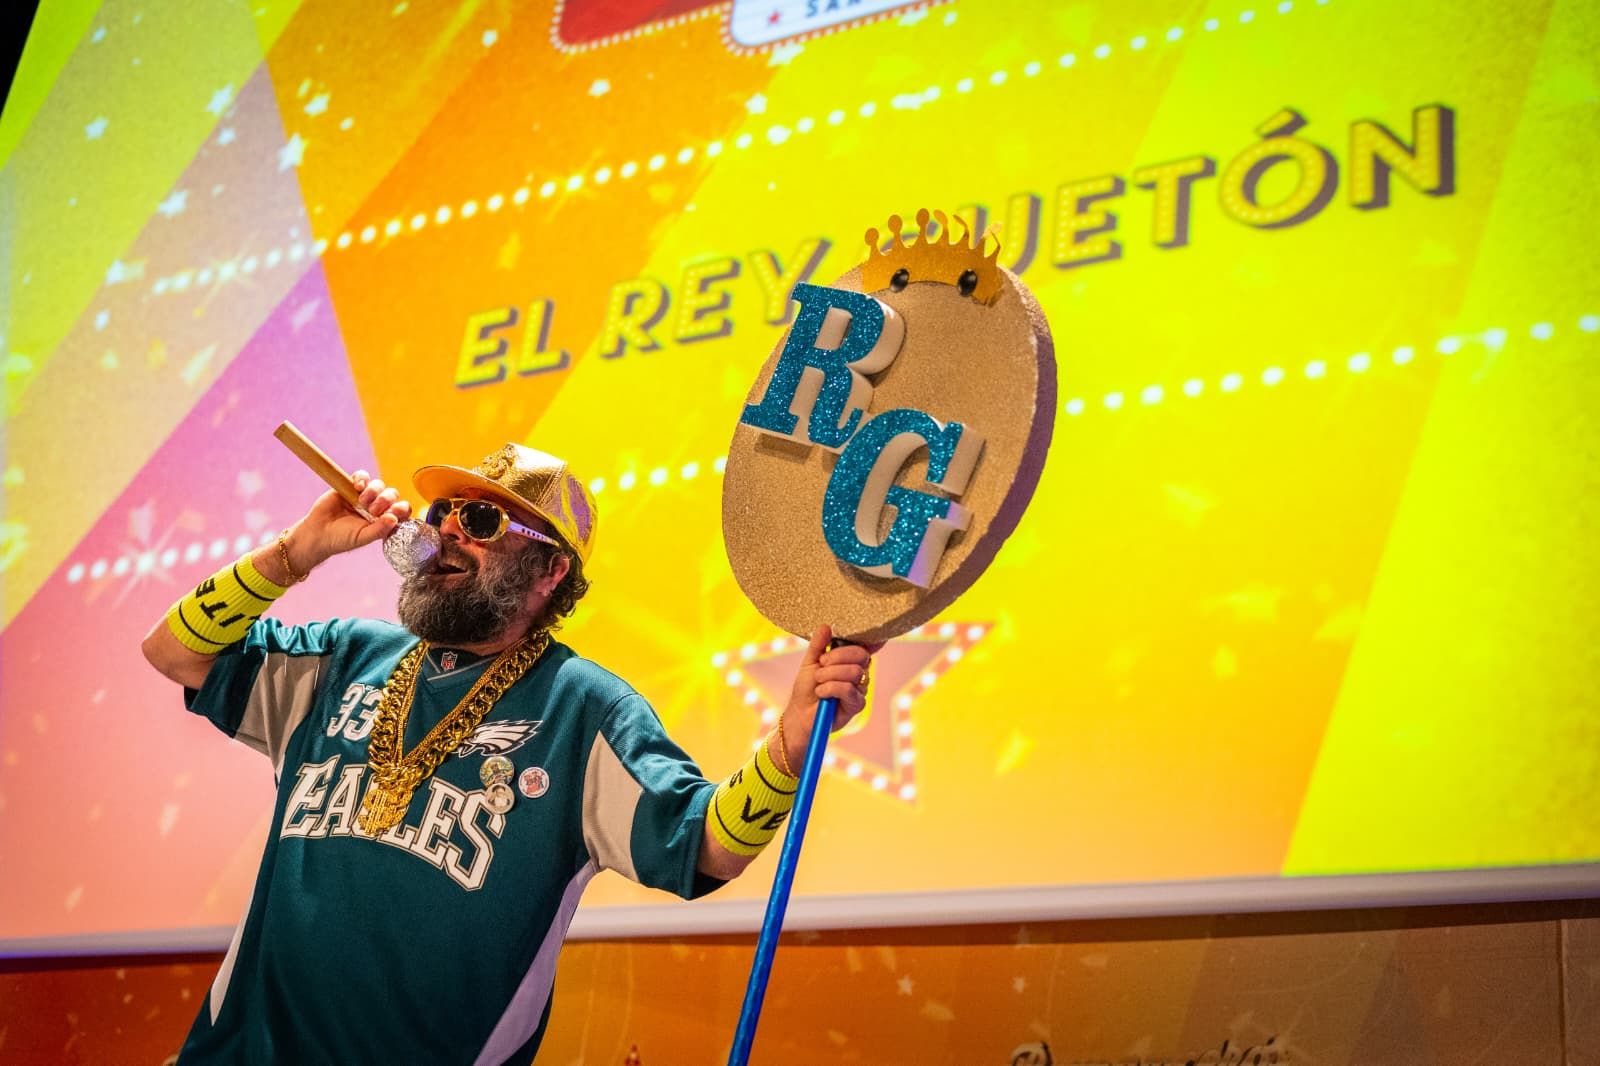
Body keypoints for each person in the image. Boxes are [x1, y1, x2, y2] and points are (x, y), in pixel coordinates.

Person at [141, 442, 875, 1064]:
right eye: (441, 514)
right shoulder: (342, 658)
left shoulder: (586, 710)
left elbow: (710, 843)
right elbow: (175, 653)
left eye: (483, 519)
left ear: (550, 571)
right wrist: (297, 552)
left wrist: (789, 744)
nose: (447, 532)